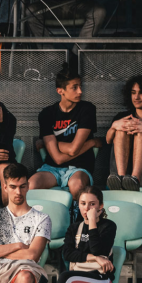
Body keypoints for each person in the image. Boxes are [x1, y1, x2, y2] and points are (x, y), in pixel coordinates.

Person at [30, 67, 97, 199]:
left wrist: (51, 142)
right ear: (60, 91)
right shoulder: (47, 114)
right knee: (30, 185)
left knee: (76, 184)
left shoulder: (87, 109)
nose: (80, 91)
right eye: (74, 87)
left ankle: (78, 219)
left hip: (79, 167)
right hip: (52, 168)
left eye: (80, 86)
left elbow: (74, 149)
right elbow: (58, 158)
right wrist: (91, 143)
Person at [51, 187, 117, 283]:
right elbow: (67, 254)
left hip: (101, 280)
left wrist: (91, 221)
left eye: (92, 204)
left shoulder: (108, 226)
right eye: (83, 203)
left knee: (66, 277)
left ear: (100, 206)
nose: (87, 208)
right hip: (79, 277)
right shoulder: (74, 228)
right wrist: (95, 258)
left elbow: (98, 250)